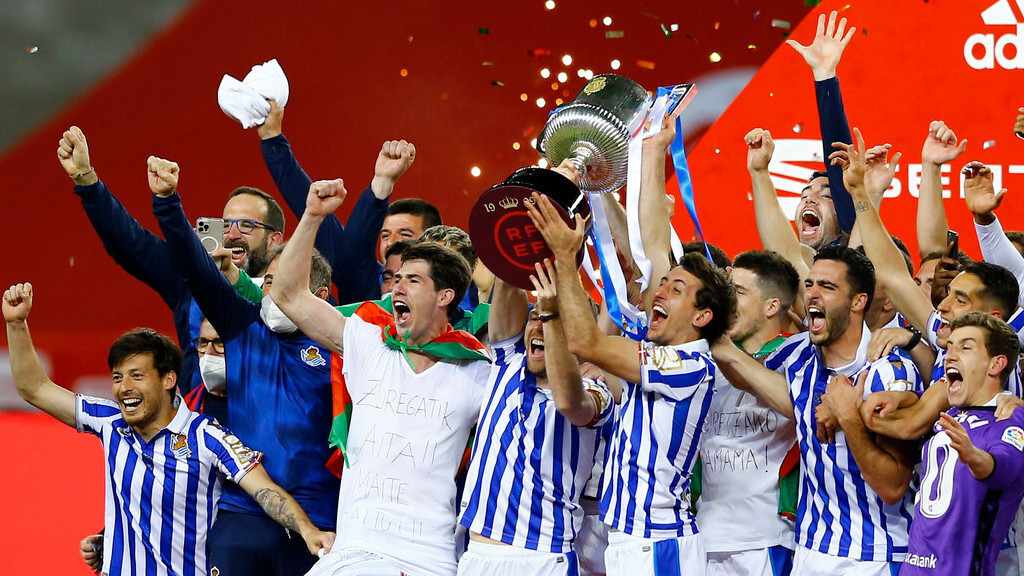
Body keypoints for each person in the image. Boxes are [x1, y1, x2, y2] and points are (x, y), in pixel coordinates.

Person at [2, 283, 334, 576]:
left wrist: (307, 530)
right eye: (117, 377)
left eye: (137, 375)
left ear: (168, 380)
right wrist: (16, 324)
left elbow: (265, 490)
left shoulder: (207, 437)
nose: (124, 387)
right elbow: (35, 388)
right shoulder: (110, 421)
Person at [271, 178, 492, 576]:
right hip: (353, 551)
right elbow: (287, 294)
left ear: (445, 296)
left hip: (428, 561)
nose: (396, 289)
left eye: (413, 280)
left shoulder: (478, 371)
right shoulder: (367, 342)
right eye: (396, 278)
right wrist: (312, 216)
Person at [147, 155, 340, 576]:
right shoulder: (242, 327)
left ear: (320, 295)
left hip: (323, 520)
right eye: (269, 283)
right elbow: (197, 269)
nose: (276, 293)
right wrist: (167, 203)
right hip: (244, 513)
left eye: (289, 285)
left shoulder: (348, 345)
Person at [526, 190, 736, 576]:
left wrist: (566, 258)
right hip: (631, 543)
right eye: (664, 284)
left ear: (702, 316)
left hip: (658, 546)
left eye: (676, 290)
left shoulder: (689, 365)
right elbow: (643, 257)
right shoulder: (658, 355)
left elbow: (585, 343)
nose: (660, 291)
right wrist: (599, 189)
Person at [711, 245, 922, 575]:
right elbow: (749, 379)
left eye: (827, 286)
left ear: (858, 302)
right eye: (810, 284)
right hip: (810, 551)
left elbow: (893, 487)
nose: (812, 293)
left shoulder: (889, 371)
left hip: (874, 555)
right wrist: (723, 345)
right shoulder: (798, 355)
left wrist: (848, 415)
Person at [57, 125, 284, 394]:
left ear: (274, 240)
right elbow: (131, 244)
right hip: (199, 416)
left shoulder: (294, 295)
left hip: (269, 418)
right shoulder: (190, 281)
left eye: (246, 226)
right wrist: (87, 181)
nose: (232, 235)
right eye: (225, 225)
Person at [457, 265, 614, 575]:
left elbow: (571, 404)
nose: (539, 327)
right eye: (535, 317)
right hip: (477, 555)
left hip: (542, 557)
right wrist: (520, 252)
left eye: (554, 320)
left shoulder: (597, 391)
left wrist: (553, 313)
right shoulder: (508, 364)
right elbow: (507, 283)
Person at [256, 100, 426, 303]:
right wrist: (273, 141)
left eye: (405, 235)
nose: (391, 243)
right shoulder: (365, 289)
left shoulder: (454, 304)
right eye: (384, 235)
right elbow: (347, 250)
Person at [697, 250, 800, 576]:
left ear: (772, 306)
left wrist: (728, 352)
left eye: (738, 293)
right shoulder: (707, 355)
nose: (728, 302)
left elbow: (796, 404)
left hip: (764, 538)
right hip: (702, 533)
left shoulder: (798, 353)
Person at [900, 312, 1024, 576]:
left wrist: (974, 456)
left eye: (965, 348)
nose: (950, 355)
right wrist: (898, 398)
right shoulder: (953, 413)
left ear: (996, 364)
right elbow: (919, 402)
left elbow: (1006, 466)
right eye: (950, 347)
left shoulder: (1009, 417)